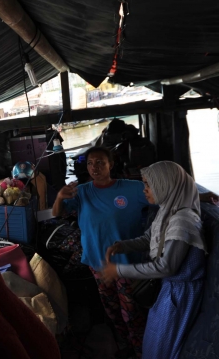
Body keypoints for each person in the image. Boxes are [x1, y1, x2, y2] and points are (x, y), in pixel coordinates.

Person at [103, 161, 207, 359]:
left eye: (148, 185)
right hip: (170, 289)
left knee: (163, 347)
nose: (145, 190)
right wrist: (123, 246)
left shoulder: (182, 221)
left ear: (165, 184)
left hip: (180, 295)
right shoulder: (168, 210)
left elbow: (166, 266)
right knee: (154, 341)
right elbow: (149, 239)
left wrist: (119, 270)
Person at [52, 146, 148, 358]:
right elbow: (57, 213)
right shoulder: (82, 191)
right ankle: (124, 343)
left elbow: (163, 194)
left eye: (100, 163)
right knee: (112, 309)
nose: (94, 167)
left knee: (132, 310)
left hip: (126, 263)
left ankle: (142, 349)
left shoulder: (131, 188)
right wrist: (59, 197)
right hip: (97, 263)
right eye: (90, 163)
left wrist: (200, 197)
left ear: (111, 165)